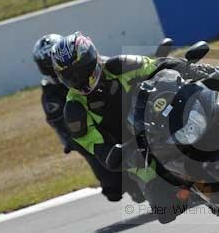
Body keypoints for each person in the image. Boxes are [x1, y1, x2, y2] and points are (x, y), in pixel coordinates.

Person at [51, 32, 219, 223]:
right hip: (136, 150)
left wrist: (187, 68)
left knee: (214, 74)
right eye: (70, 76)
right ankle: (201, 193)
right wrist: (117, 154)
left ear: (93, 59)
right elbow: (99, 149)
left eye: (81, 71)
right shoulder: (75, 112)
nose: (79, 79)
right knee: (165, 207)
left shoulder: (121, 65)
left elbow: (159, 65)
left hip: (163, 118)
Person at [32, 34, 143, 203]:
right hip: (80, 133)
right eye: (47, 63)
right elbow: (65, 125)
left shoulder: (96, 65)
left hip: (109, 114)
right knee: (113, 187)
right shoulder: (51, 96)